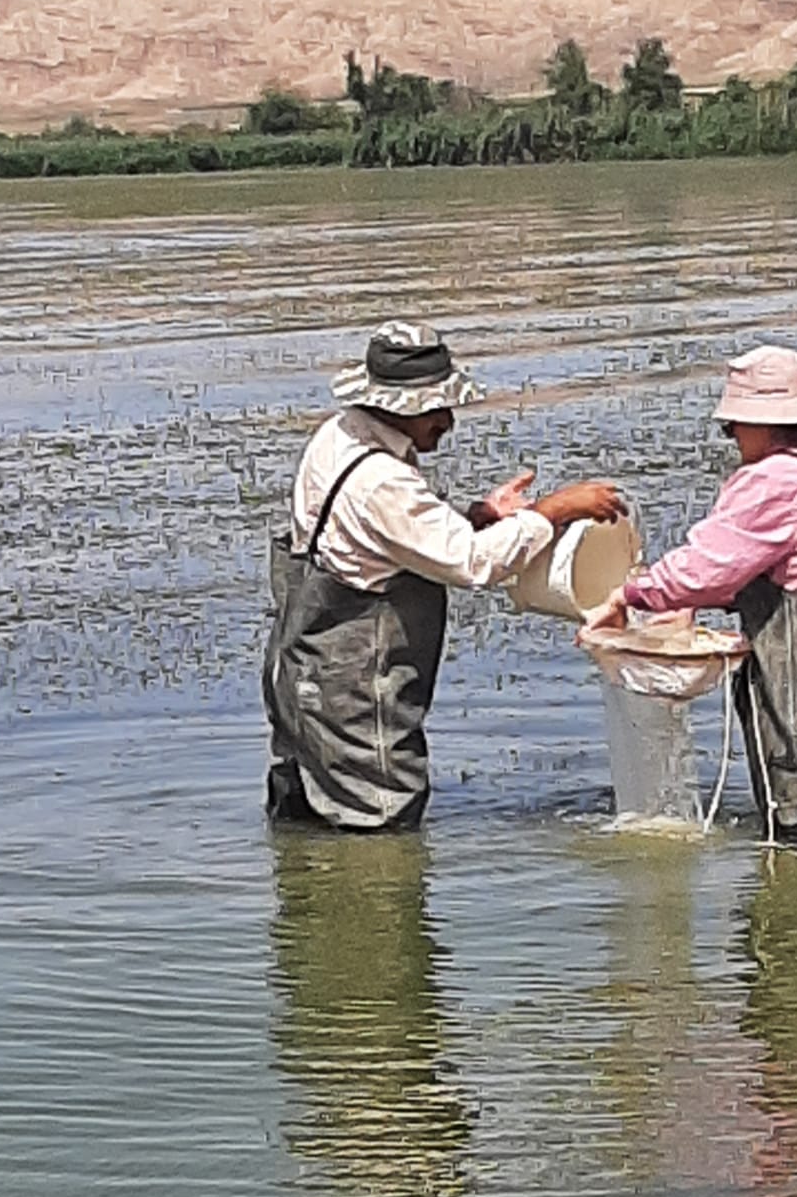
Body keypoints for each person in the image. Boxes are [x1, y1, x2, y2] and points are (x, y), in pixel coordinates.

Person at [264, 318, 624, 830]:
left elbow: (392, 540)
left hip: (301, 674)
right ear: (401, 407)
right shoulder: (382, 480)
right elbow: (470, 563)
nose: (447, 421)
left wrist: (475, 518)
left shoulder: (339, 437)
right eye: (437, 408)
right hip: (355, 690)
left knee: (304, 814)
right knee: (380, 822)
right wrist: (553, 511)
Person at [581, 345, 797, 841]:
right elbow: (768, 577)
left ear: (762, 424)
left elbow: (706, 566)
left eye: (733, 427)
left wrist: (628, 597)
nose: (733, 438)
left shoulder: (776, 481)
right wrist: (688, 607)